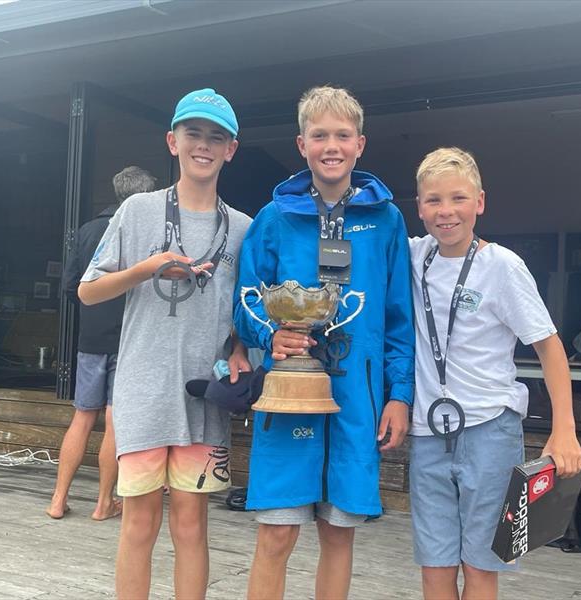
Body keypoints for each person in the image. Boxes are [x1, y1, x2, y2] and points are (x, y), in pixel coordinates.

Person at [234, 85, 414, 600]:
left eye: (342, 135)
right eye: (319, 136)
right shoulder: (274, 218)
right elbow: (247, 296)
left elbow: (399, 316)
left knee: (339, 537)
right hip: (290, 391)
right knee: (275, 535)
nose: (330, 145)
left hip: (357, 397)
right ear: (301, 144)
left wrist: (399, 394)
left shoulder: (386, 220)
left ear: (360, 143)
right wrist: (272, 333)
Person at [78, 88, 252, 600]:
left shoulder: (243, 229)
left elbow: (244, 315)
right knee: (138, 521)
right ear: (171, 141)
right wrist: (147, 267)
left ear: (231, 149)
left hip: (204, 397)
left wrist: (241, 347)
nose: (203, 145)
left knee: (192, 523)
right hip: (143, 392)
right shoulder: (137, 211)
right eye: (193, 133)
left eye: (215, 137)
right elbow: (88, 291)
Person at [408, 147, 581, 600]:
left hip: (490, 430)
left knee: (481, 565)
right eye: (433, 201)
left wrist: (564, 430)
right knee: (435, 565)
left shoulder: (502, 266)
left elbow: (550, 347)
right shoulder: (410, 257)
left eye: (458, 199)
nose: (446, 212)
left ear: (480, 202)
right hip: (428, 432)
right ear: (419, 208)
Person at [47, 166, 157, 521]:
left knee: (81, 417)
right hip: (128, 338)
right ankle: (103, 503)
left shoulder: (86, 230)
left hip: (90, 337)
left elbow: (69, 286)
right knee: (114, 421)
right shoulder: (143, 230)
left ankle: (58, 499)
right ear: (144, 194)